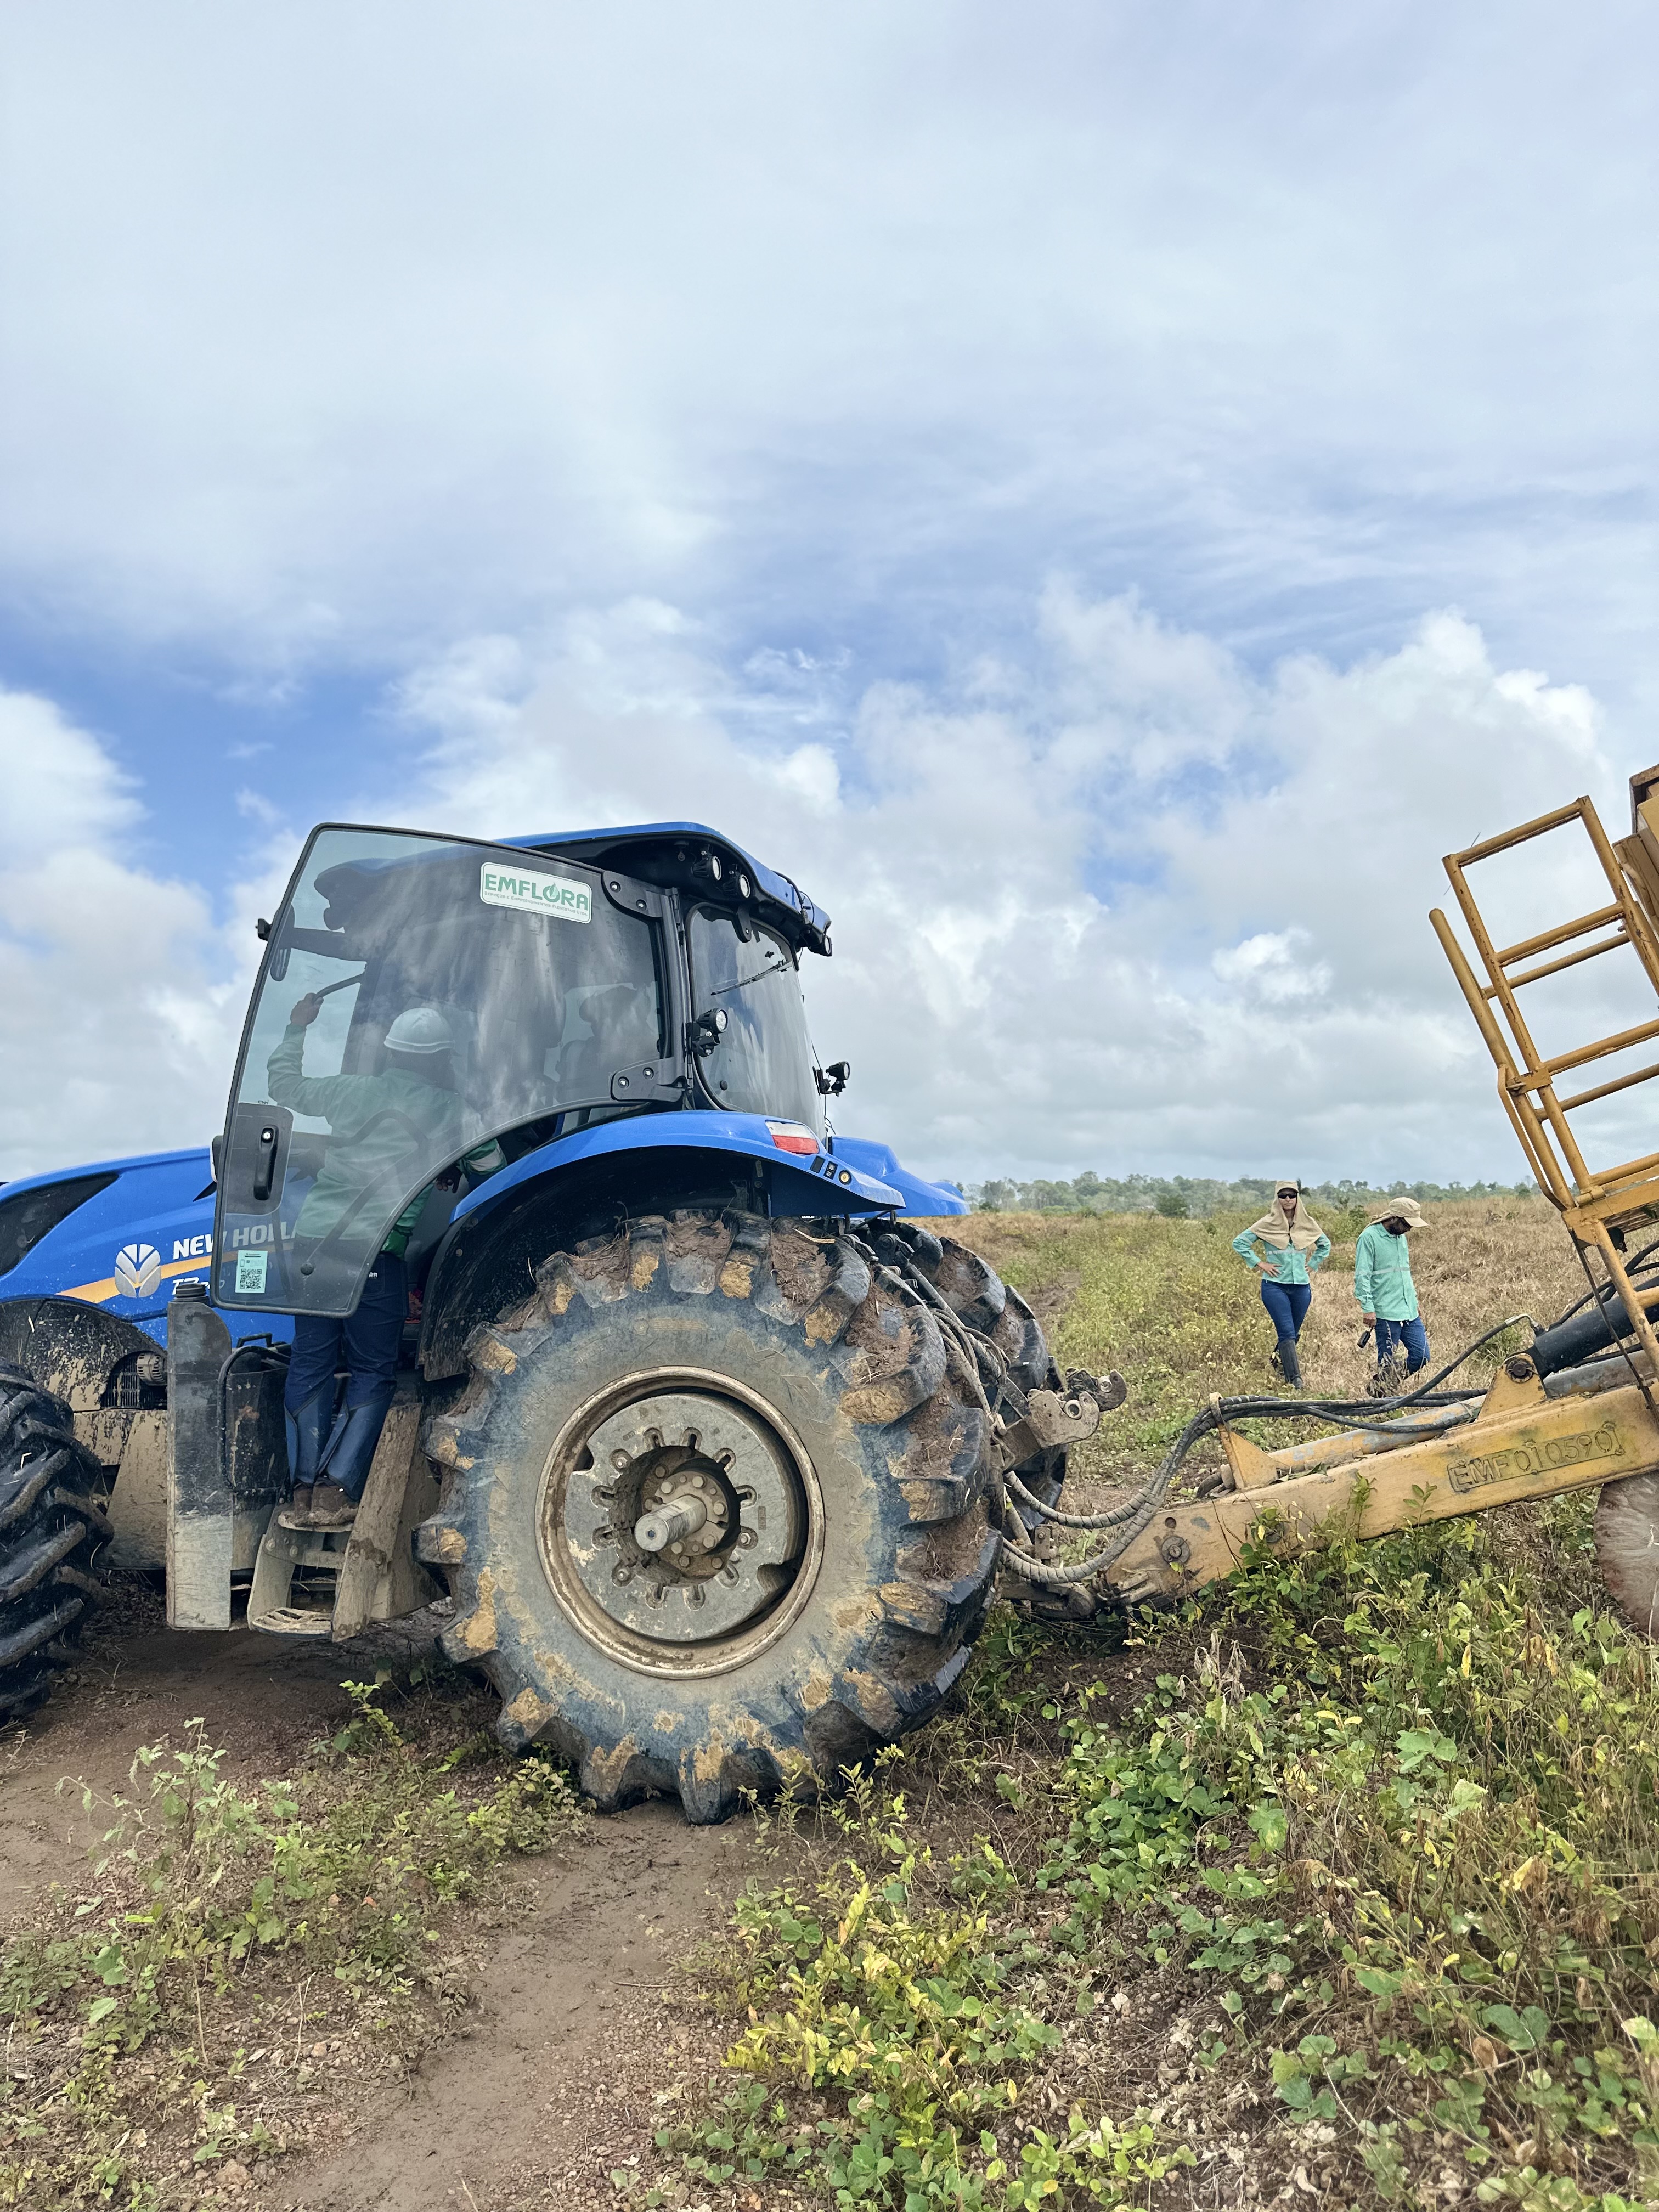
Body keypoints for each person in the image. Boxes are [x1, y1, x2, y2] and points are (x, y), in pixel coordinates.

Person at [267, 998, 503, 1528]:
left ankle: (302, 1491)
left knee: (311, 1361)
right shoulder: (455, 1110)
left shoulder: (349, 1089)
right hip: (377, 1255)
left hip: (312, 1247)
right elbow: (494, 1172)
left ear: (391, 1051)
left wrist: (295, 1025)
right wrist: (446, 1169)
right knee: (374, 1369)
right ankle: (336, 1493)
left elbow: (285, 1084)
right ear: (442, 1059)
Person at [1232, 1180, 1332, 1387]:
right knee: (1286, 1331)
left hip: (1301, 1288)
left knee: (1294, 1333)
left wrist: (1313, 1264)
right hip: (1274, 1286)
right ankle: (1295, 1380)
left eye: (1292, 1195)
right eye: (1283, 1195)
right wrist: (1260, 1263)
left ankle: (1277, 1362)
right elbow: (1239, 1242)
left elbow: (1325, 1245)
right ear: (1277, 1198)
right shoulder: (1266, 1223)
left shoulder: (1307, 1222)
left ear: (1298, 1197)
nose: (1287, 1199)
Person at [1355, 1197, 1430, 1387]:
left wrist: (1414, 1301)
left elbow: (1405, 1273)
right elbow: (1362, 1276)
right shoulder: (1369, 1237)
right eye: (1407, 1224)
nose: (1410, 1229)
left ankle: (1381, 1385)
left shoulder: (1401, 1238)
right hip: (1386, 1311)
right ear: (1394, 1219)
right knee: (1386, 1360)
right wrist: (1368, 1308)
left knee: (1422, 1356)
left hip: (1409, 1310)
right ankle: (1383, 1397)